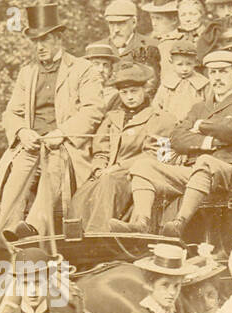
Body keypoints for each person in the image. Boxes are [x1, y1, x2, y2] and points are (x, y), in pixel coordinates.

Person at [112, 45, 232, 237]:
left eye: (223, 72)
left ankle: (178, 224)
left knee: (204, 161)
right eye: (213, 72)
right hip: (193, 172)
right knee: (143, 166)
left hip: (230, 171)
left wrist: (200, 126)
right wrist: (212, 141)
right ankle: (141, 223)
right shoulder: (199, 107)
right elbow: (177, 138)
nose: (217, 77)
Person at [0, 3, 107, 240]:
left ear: (58, 38)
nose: (39, 47)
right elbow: (11, 113)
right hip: (32, 145)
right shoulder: (27, 73)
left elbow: (93, 109)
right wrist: (22, 132)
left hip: (65, 147)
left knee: (54, 167)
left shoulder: (82, 69)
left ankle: (33, 229)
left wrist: (63, 132)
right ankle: (5, 235)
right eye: (35, 42)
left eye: (45, 40)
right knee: (17, 172)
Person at [71, 62, 179, 232]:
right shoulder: (111, 118)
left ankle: (99, 233)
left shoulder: (162, 119)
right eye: (124, 92)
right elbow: (100, 150)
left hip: (138, 176)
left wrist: (117, 168)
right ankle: (77, 235)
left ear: (146, 90)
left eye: (134, 91)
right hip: (108, 174)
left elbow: (157, 156)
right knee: (82, 194)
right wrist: (99, 167)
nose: (129, 97)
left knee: (108, 182)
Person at [152, 40, 211, 122]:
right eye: (180, 64)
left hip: (194, 124)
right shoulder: (167, 83)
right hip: (170, 124)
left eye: (189, 64)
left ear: (195, 62)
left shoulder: (203, 83)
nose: (184, 69)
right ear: (171, 62)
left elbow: (210, 105)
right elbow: (156, 105)